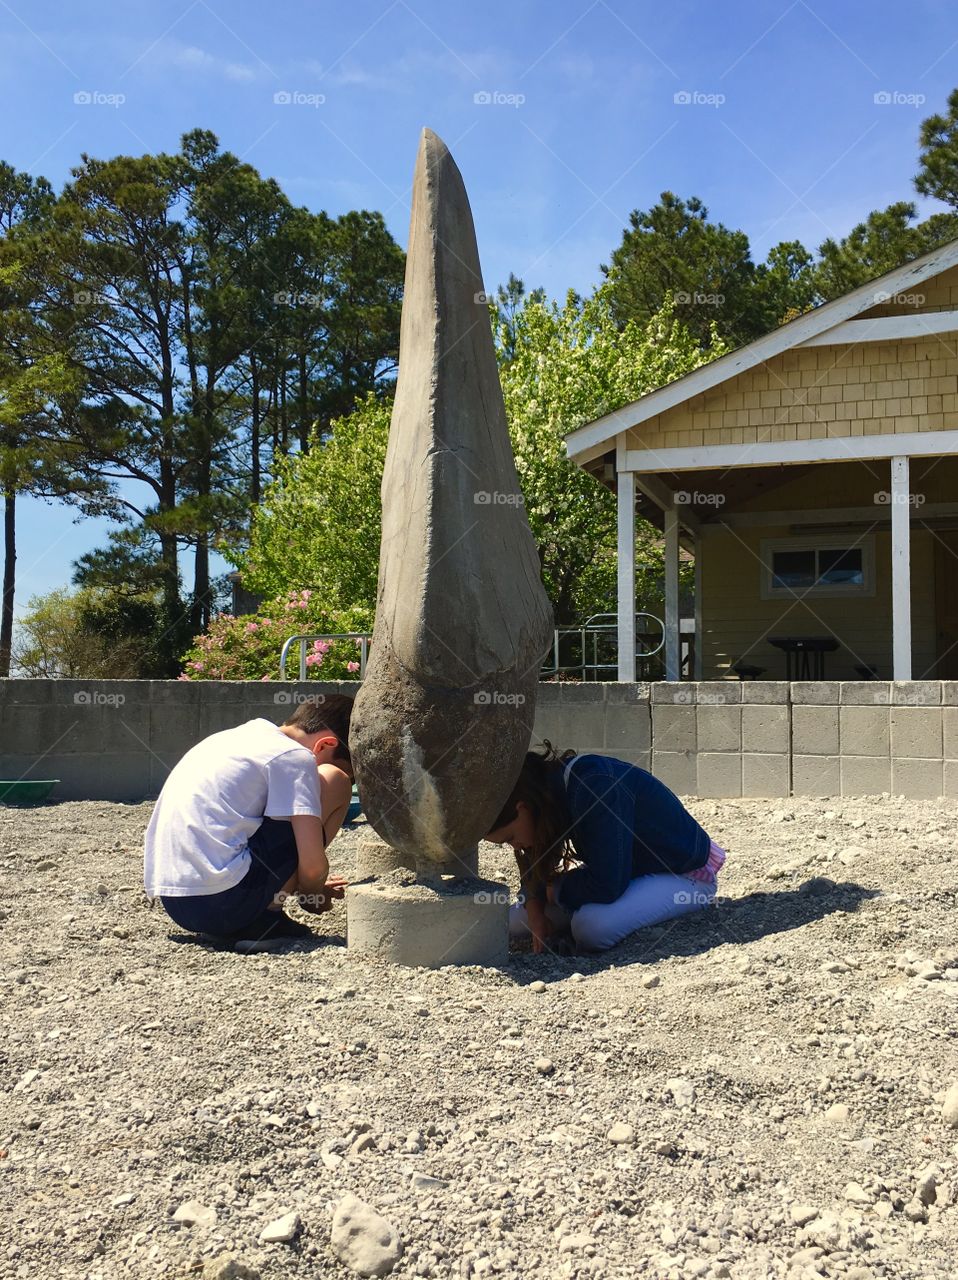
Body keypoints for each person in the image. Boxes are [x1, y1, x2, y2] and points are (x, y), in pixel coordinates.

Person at [144, 694, 355, 943]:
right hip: (227, 904)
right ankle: (265, 916)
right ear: (325, 745)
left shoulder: (231, 739)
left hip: (177, 903)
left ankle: (258, 909)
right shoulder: (295, 757)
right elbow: (313, 866)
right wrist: (312, 892)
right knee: (334, 781)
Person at [486, 743, 725, 954]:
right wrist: (536, 911)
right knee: (517, 921)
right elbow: (538, 868)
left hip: (684, 875)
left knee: (591, 927)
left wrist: (554, 892)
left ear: (523, 808)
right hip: (633, 872)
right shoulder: (549, 794)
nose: (515, 846)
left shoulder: (595, 787)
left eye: (510, 837)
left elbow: (608, 885)